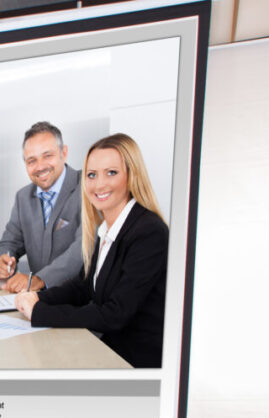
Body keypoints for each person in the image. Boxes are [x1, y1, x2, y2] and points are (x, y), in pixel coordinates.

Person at [13, 133, 168, 369]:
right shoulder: (107, 229)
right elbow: (84, 286)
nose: (99, 184)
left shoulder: (148, 232)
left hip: (134, 362)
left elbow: (114, 314)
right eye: (92, 175)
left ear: (131, 175)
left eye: (111, 173)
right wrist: (37, 297)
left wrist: (40, 312)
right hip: (108, 349)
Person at [0, 121, 85, 293]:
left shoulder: (86, 187)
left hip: (79, 300)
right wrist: (0, 263)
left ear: (64, 152)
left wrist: (41, 279)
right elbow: (8, 243)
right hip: (37, 301)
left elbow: (84, 248)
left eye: (48, 156)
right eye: (31, 161)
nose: (40, 167)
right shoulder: (23, 197)